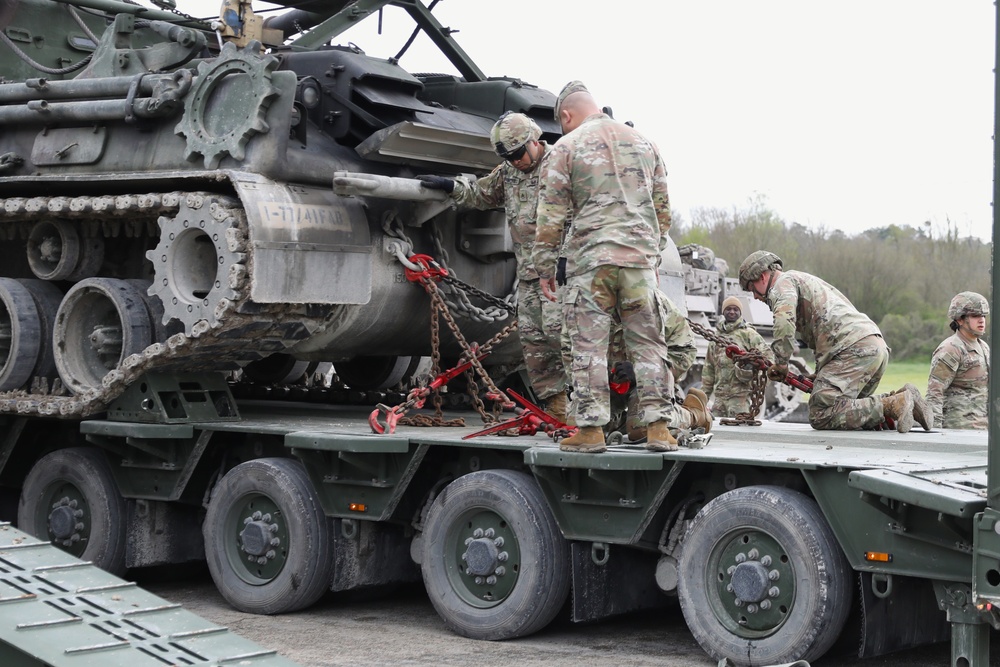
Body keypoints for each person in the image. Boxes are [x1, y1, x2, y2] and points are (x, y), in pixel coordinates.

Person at [532, 81, 710, 454]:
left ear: (566, 116)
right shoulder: (645, 143)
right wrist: (653, 256)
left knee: (589, 348)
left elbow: (551, 216)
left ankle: (591, 432)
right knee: (648, 345)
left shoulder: (566, 147)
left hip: (591, 264)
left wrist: (545, 267)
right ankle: (660, 428)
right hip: (640, 264)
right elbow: (663, 210)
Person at [418, 112, 569, 422]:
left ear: (534, 141)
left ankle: (594, 409)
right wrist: (450, 186)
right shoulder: (510, 172)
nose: (514, 161)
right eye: (507, 157)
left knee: (567, 339)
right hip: (529, 275)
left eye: (517, 154)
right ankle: (558, 408)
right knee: (535, 344)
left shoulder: (564, 165)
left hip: (562, 274)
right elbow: (482, 194)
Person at [738, 250, 931, 433]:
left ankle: (893, 404)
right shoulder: (806, 281)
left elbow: (784, 322)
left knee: (822, 413)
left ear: (762, 276)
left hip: (854, 350)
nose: (754, 296)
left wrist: (781, 363)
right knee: (849, 410)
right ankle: (904, 399)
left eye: (751, 289)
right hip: (873, 346)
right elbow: (826, 329)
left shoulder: (782, 284)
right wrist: (821, 374)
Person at [926, 292, 990, 429]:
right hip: (959, 429)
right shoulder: (951, 349)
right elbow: (935, 393)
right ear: (960, 319)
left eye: (983, 316)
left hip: (984, 428)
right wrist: (935, 431)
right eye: (975, 316)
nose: (982, 320)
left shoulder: (984, 347)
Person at [702, 295, 773, 417]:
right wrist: (703, 399)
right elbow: (709, 369)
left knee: (740, 432)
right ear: (723, 311)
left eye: (735, 309)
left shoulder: (749, 335)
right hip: (719, 399)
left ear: (740, 312)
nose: (732, 312)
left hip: (740, 398)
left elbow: (768, 360)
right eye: (728, 309)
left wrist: (756, 380)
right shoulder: (716, 338)